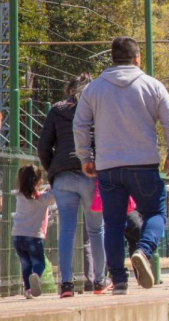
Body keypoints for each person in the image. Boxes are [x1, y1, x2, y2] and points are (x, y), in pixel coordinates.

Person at [74, 36, 169, 295]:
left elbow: (79, 124)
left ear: (112, 58)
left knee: (112, 223)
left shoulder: (94, 89)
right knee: (156, 213)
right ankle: (143, 251)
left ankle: (119, 282)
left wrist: (85, 157)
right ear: (137, 58)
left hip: (108, 167)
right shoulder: (152, 85)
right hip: (143, 163)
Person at [38, 72, 108, 294]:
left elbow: (43, 147)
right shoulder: (97, 109)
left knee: (66, 230)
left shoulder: (56, 110)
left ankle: (66, 284)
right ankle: (99, 280)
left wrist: (54, 169)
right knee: (96, 229)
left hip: (63, 177)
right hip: (91, 175)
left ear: (70, 88)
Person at [13, 165, 57, 299]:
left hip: (17, 236)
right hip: (33, 236)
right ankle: (36, 275)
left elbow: (29, 192)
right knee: (39, 263)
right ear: (39, 181)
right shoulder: (42, 199)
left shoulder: (19, 196)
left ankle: (27, 290)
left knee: (26, 264)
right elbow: (54, 194)